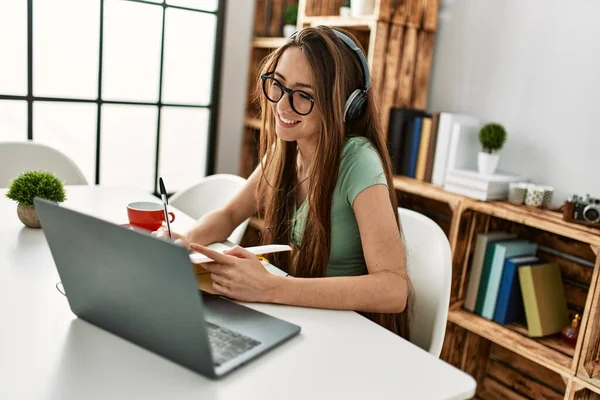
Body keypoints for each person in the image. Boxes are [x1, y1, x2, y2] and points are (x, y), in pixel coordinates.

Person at [154, 26, 412, 338]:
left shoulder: (357, 161)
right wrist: (182, 242)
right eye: (278, 85)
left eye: (304, 95)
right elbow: (230, 215)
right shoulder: (288, 148)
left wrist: (272, 288)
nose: (281, 106)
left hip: (349, 335)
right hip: (305, 320)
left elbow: (394, 290)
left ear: (345, 105)